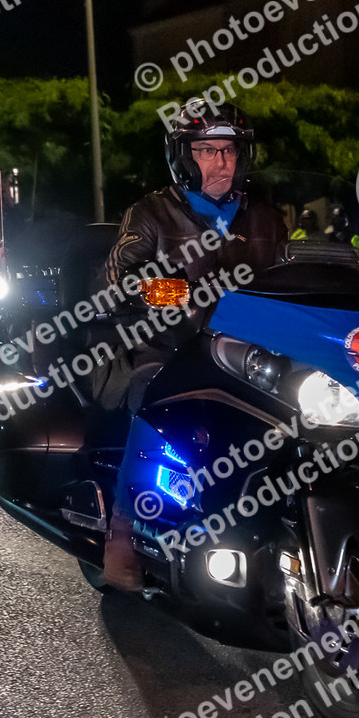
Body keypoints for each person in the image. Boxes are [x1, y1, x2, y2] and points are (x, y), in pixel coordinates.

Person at [98, 101, 286, 590]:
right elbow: (118, 277)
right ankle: (122, 530)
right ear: (183, 156)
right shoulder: (151, 213)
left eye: (229, 150)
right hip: (170, 344)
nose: (220, 161)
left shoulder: (265, 217)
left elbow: (292, 274)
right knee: (152, 391)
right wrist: (154, 288)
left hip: (250, 349)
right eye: (205, 150)